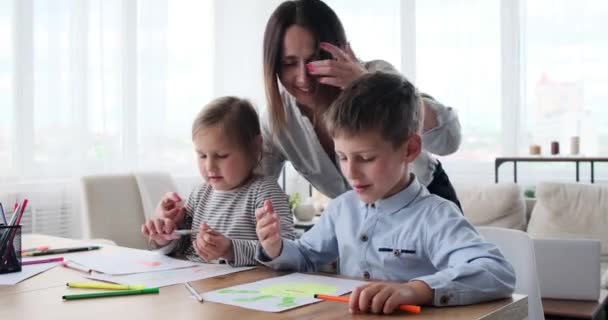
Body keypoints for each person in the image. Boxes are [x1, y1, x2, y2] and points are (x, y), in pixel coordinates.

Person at [255, 72, 515, 314]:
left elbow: (496, 271)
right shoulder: (342, 209)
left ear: (410, 149)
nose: (351, 173)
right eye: (342, 157)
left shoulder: (435, 216)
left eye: (366, 158)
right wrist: (276, 248)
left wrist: (416, 289)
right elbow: (305, 257)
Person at [259, 0, 462, 209]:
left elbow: (450, 140)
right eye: (289, 63)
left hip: (428, 202)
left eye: (315, 60)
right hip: (364, 220)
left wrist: (374, 89)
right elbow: (255, 186)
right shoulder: (275, 120)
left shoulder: (376, 74)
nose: (303, 78)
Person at [141, 96, 295, 267]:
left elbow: (287, 251)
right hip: (195, 283)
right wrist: (165, 236)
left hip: (241, 288)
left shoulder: (264, 192)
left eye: (221, 156)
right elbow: (180, 247)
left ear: (254, 147)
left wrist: (231, 250)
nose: (209, 166)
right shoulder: (199, 194)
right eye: (202, 155)